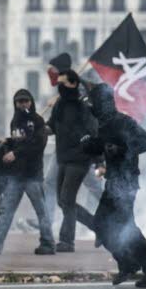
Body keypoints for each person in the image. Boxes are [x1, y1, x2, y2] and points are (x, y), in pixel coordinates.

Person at [81, 84, 146, 288]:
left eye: (94, 102)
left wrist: (121, 149)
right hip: (114, 182)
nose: (91, 107)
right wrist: (88, 143)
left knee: (125, 227)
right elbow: (101, 146)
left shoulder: (123, 121)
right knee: (103, 224)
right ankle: (128, 263)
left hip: (126, 183)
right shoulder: (104, 125)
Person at [0, 89, 55, 256]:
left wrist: (16, 153)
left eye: (26, 101)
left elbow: (38, 144)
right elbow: (20, 140)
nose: (23, 104)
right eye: (20, 102)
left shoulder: (38, 121)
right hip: (15, 175)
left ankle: (48, 243)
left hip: (32, 175)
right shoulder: (16, 121)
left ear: (31, 102)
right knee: (6, 209)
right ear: (15, 104)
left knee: (41, 211)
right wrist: (8, 142)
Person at [44, 53, 103, 229]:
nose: (50, 72)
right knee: (51, 183)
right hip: (64, 146)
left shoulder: (78, 88)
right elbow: (54, 124)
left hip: (78, 149)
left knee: (90, 185)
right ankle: (47, 221)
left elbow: (87, 117)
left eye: (53, 68)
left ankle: (117, 211)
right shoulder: (64, 89)